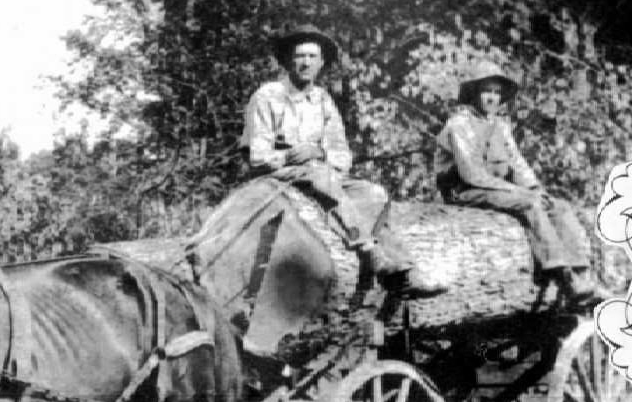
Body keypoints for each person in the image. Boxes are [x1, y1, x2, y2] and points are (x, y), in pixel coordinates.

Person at [240, 25, 445, 298]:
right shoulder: (268, 96)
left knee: (373, 193)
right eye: (300, 56)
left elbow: (341, 154)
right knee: (320, 177)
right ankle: (368, 250)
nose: (305, 63)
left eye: (312, 57)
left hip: (321, 172)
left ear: (322, 63)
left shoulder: (323, 100)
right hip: (277, 176)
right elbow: (257, 155)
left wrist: (320, 153)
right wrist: (291, 155)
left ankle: (405, 270)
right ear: (289, 60)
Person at [435, 62, 599, 305]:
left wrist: (535, 188)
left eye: (496, 92)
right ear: (474, 93)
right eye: (486, 91)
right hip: (464, 192)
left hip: (496, 189)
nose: (492, 97)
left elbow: (517, 163)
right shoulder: (460, 124)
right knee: (530, 205)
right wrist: (521, 192)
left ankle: (582, 273)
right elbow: (472, 175)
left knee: (559, 206)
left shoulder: (499, 125)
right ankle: (561, 275)